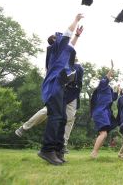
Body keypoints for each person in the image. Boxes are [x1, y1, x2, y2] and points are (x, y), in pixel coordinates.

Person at [38, 13, 83, 165]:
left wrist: (77, 36)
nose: (66, 39)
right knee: (56, 117)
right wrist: (76, 21)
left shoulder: (62, 51)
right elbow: (67, 35)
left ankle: (57, 150)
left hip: (61, 86)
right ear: (56, 41)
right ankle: (47, 149)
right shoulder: (54, 49)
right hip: (53, 86)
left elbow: (70, 46)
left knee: (62, 118)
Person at [15, 58, 84, 154]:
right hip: (61, 93)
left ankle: (63, 145)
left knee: (70, 119)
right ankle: (24, 128)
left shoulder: (78, 67)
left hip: (73, 96)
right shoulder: (61, 65)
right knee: (46, 111)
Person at [90, 60, 119, 159]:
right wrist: (111, 68)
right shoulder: (102, 85)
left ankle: (95, 152)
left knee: (104, 134)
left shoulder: (108, 89)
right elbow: (106, 79)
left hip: (105, 113)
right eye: (109, 77)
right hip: (100, 112)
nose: (110, 78)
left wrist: (116, 91)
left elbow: (113, 98)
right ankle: (94, 152)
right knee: (103, 133)